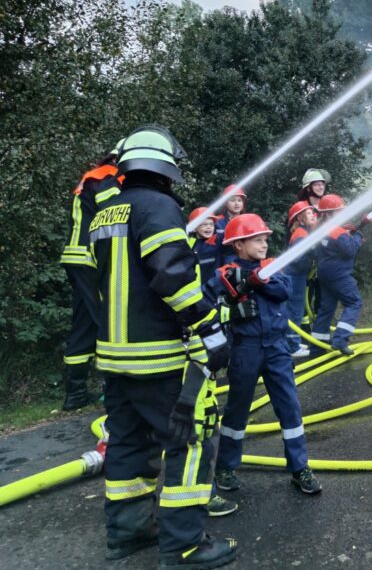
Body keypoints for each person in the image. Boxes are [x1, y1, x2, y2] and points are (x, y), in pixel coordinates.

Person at [89, 125, 237, 567]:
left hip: (114, 358)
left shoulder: (105, 213)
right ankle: (185, 544)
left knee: (129, 444)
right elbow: (172, 274)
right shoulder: (158, 207)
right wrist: (209, 324)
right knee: (189, 442)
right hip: (158, 357)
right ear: (165, 168)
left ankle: (128, 531)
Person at [207, 214, 322, 497]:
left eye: (265, 239)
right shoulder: (222, 275)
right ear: (238, 245)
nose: (263, 244)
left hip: (277, 348)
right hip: (245, 349)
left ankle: (299, 468)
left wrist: (253, 279)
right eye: (257, 240)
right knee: (237, 409)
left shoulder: (272, 267)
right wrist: (231, 311)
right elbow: (203, 306)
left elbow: (283, 291)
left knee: (290, 407)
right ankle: (225, 467)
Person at [58, 140, 123, 410]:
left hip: (76, 257)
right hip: (90, 258)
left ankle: (75, 394)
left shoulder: (91, 177)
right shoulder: (109, 177)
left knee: (84, 322)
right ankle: (116, 389)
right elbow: (114, 217)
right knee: (107, 319)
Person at [310, 194, 368, 355]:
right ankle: (340, 340)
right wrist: (358, 237)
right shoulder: (337, 231)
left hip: (324, 273)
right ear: (329, 213)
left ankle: (317, 346)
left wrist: (358, 228)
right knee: (354, 302)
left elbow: (338, 245)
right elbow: (349, 250)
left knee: (326, 308)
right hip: (339, 274)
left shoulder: (321, 228)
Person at [284, 200, 318, 358]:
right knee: (295, 311)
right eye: (309, 213)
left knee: (295, 310)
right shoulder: (300, 234)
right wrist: (312, 256)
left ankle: (294, 342)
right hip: (295, 277)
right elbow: (298, 258)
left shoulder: (304, 232)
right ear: (300, 219)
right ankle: (292, 346)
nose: (314, 215)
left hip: (298, 276)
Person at [214, 185, 247, 266]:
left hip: (245, 260)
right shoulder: (217, 221)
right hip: (220, 262)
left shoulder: (248, 221)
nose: (236, 203)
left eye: (239, 200)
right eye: (232, 200)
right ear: (225, 203)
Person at [188, 207, 219, 286]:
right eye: (204, 224)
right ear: (194, 228)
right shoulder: (189, 244)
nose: (209, 227)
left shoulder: (218, 241)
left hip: (215, 288)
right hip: (196, 289)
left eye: (211, 224)